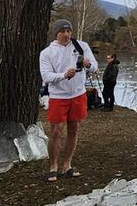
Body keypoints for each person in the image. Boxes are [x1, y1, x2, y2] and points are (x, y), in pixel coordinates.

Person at [39, 19, 97, 182]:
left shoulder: (81, 46)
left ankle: (67, 165)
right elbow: (46, 76)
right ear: (56, 33)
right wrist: (63, 75)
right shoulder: (47, 53)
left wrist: (88, 64)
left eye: (69, 31)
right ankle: (53, 167)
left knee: (74, 129)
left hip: (78, 94)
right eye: (62, 31)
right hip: (58, 96)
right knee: (56, 131)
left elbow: (94, 66)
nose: (66, 34)